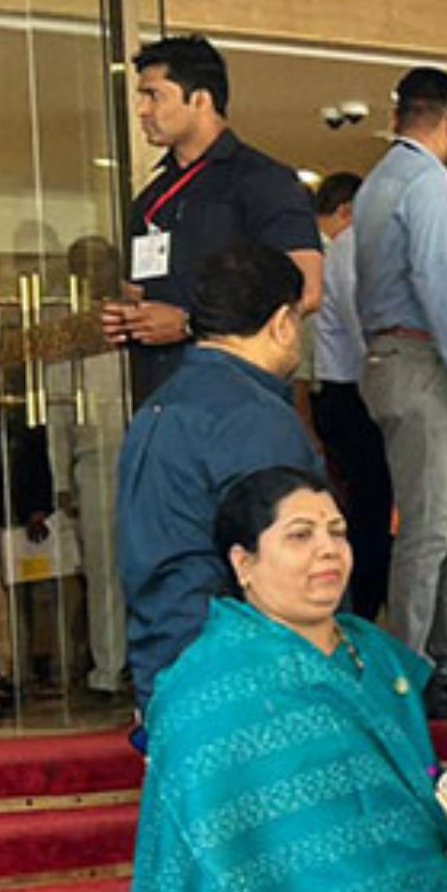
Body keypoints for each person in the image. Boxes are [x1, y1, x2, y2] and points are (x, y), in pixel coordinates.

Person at [131, 466, 447, 892]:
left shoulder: (375, 654)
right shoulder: (208, 690)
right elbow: (204, 845)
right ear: (243, 562)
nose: (328, 549)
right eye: (300, 536)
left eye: (337, 532)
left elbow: (421, 775)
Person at [118, 243, 323, 713]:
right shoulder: (257, 418)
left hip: (167, 671)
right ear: (282, 322)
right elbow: (292, 571)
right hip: (245, 683)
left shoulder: (157, 407)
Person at [355, 66, 447, 719]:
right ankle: (407, 673)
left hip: (395, 356)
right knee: (431, 530)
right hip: (422, 358)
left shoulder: (376, 184)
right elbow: (443, 282)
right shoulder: (426, 183)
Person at [103, 35, 321, 402]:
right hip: (159, 397)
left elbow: (307, 291)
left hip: (238, 398)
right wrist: (127, 320)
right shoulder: (150, 200)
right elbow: (138, 293)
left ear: (200, 99)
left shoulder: (263, 181)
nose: (141, 109)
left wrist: (190, 324)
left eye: (154, 95)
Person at [307, 172, 392, 623]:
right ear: (349, 211)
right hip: (353, 393)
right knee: (369, 514)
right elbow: (366, 329)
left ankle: (360, 608)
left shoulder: (327, 254)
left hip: (339, 393)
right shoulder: (348, 249)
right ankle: (362, 611)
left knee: (362, 511)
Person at [50, 235, 129, 697]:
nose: (91, 273)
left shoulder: (138, 318)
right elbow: (56, 410)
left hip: (143, 455)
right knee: (103, 572)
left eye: (100, 264)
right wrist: (60, 478)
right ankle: (108, 670)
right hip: (93, 460)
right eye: (81, 265)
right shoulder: (68, 329)